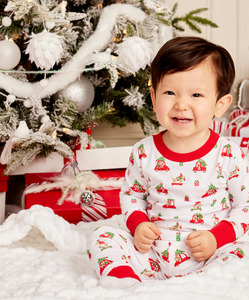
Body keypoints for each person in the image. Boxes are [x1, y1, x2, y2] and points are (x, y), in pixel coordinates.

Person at [87, 36, 249, 287]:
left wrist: (218, 238)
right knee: (101, 235)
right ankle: (124, 283)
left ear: (220, 105)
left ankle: (210, 286)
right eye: (170, 92)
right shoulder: (144, 151)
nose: (181, 104)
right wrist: (139, 224)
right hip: (152, 255)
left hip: (211, 255)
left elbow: (245, 206)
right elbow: (132, 196)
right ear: (153, 98)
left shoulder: (228, 153)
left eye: (196, 94)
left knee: (243, 252)